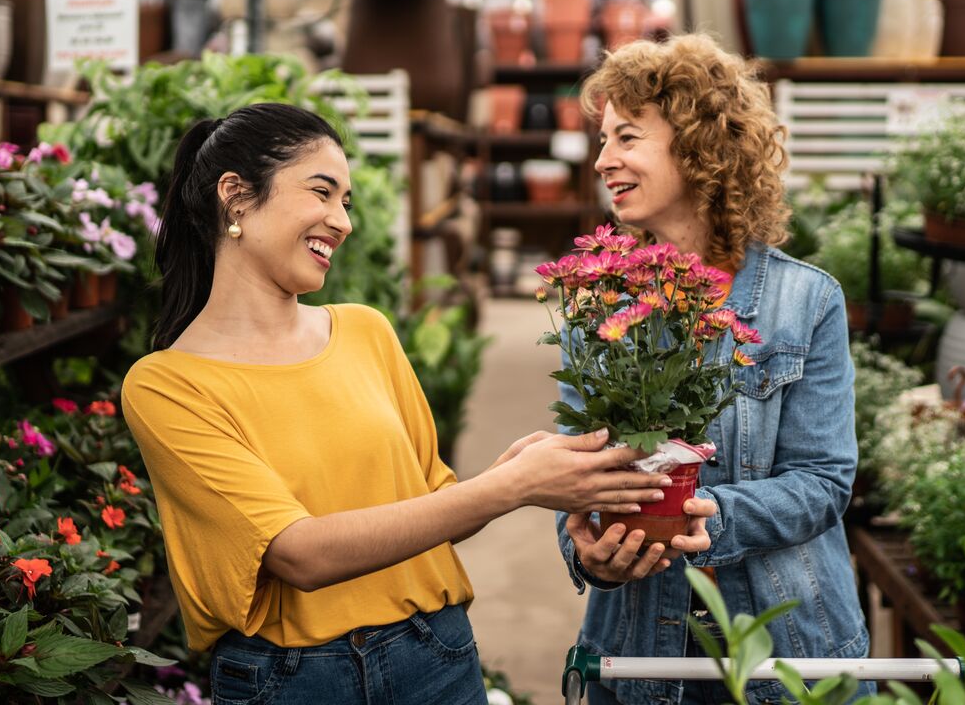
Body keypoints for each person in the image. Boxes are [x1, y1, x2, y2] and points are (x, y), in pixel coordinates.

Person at [120, 102, 679, 705]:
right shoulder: (168, 385)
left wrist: (517, 471)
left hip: (434, 656)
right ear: (236, 196)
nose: (342, 221)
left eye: (347, 202)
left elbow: (432, 509)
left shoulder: (365, 332)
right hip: (293, 683)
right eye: (322, 192)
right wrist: (512, 487)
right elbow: (298, 553)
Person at [554, 35, 872, 705]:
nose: (604, 160)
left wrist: (710, 517)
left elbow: (823, 482)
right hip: (639, 652)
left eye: (628, 137)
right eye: (603, 139)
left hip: (786, 656)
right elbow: (575, 465)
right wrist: (588, 548)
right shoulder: (595, 300)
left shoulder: (803, 301)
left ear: (701, 148)